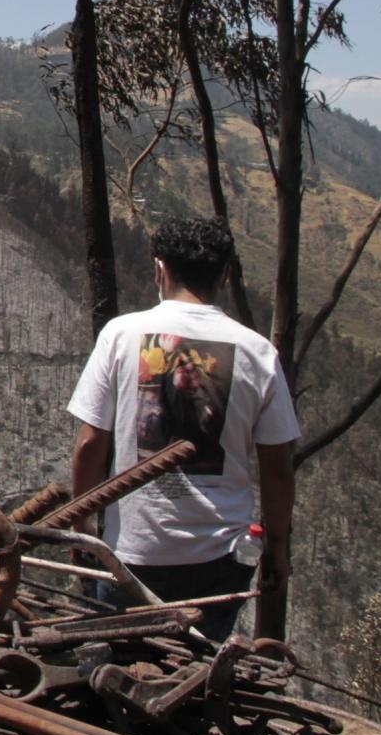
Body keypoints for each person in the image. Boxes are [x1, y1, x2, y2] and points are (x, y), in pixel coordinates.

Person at [67, 215, 298, 640]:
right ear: (225, 276)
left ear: (159, 269)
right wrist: (277, 547)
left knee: (118, 668)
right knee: (196, 672)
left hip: (133, 552)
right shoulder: (257, 352)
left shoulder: (121, 335)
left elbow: (88, 445)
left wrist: (83, 529)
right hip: (220, 558)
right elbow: (278, 467)